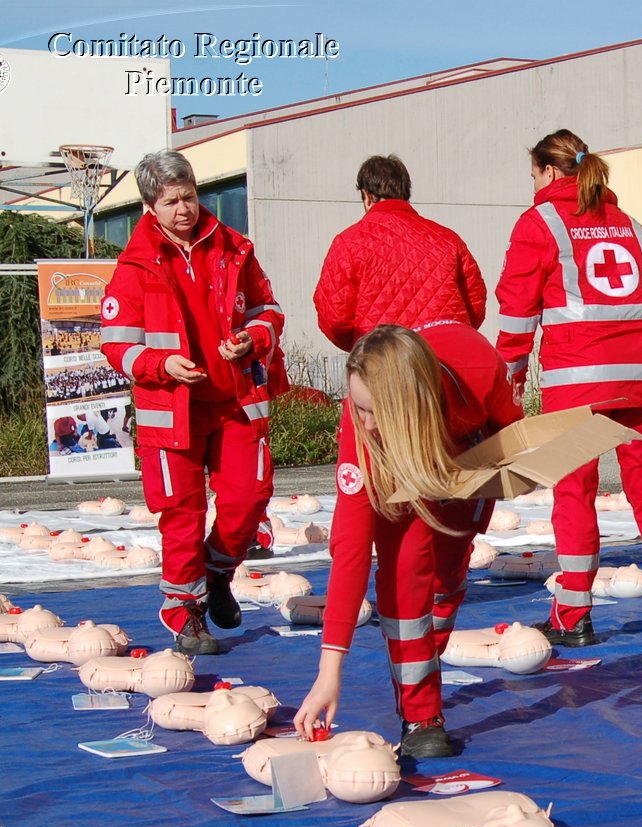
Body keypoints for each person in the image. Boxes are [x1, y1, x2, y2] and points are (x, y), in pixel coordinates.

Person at [494, 128, 642, 646]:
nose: (532, 186)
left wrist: (512, 379)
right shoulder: (636, 229)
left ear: (550, 172)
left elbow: (517, 311)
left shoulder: (540, 223)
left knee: (574, 495)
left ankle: (574, 615)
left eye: (533, 175)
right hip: (641, 386)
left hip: (576, 387)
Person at [293, 324, 520, 758]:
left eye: (375, 411)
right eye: (358, 407)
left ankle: (419, 667)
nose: (366, 423)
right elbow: (351, 550)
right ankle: (421, 712)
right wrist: (328, 672)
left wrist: (510, 478)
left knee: (447, 576)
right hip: (395, 473)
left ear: (412, 403)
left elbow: (513, 437)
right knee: (404, 575)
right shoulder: (362, 430)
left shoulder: (478, 369)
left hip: (459, 461)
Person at [100, 149, 283, 655]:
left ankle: (217, 573)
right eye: (171, 201)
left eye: (189, 196)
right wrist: (162, 365)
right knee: (181, 512)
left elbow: (269, 308)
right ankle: (184, 612)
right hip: (171, 408)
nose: (183, 208)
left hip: (236, 401)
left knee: (248, 502)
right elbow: (115, 343)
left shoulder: (234, 247)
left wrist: (253, 337)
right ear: (149, 207)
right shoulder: (133, 265)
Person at [313, 154, 488, 352]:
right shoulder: (448, 239)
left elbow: (334, 317)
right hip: (445, 360)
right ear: (405, 193)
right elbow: (475, 305)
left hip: (382, 361)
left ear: (367, 195)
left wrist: (361, 346)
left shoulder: (348, 242)